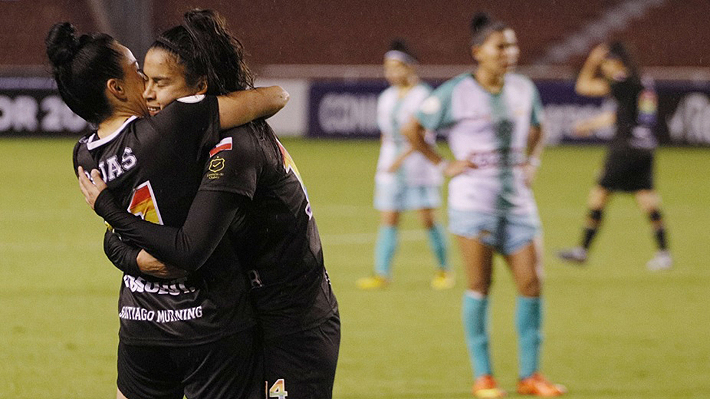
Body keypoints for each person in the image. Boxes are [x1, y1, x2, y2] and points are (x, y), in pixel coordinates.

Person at [78, 9, 340, 399]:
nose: (147, 93)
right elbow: (136, 234)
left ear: (199, 87)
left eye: (161, 83)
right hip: (246, 317)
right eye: (145, 80)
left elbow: (187, 249)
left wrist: (108, 210)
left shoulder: (233, 145)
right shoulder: (182, 143)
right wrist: (128, 253)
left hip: (292, 323)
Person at [402, 13, 566, 398]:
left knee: (532, 284)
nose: (509, 53)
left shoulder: (524, 89)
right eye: (501, 46)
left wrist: (533, 162)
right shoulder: (455, 92)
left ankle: (531, 376)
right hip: (473, 205)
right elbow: (412, 129)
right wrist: (444, 165)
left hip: (519, 205)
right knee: (480, 285)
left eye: (512, 45)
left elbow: (539, 128)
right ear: (478, 52)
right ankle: (484, 378)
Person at [558, 41, 672, 271]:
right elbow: (620, 115)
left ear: (617, 62)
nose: (605, 69)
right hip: (645, 147)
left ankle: (582, 250)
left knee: (599, 196)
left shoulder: (622, 81)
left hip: (625, 149)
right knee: (647, 199)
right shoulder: (642, 82)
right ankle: (663, 254)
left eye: (606, 64)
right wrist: (591, 124)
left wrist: (591, 60)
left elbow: (584, 87)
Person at [356, 39, 452, 291]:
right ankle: (382, 274)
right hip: (390, 169)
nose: (390, 72)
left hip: (418, 168)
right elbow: (386, 134)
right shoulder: (386, 97)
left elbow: (423, 136)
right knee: (388, 220)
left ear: (411, 67)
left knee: (428, 219)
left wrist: (398, 160)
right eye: (387, 67)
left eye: (396, 67)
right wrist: (388, 160)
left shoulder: (425, 97)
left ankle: (444, 271)